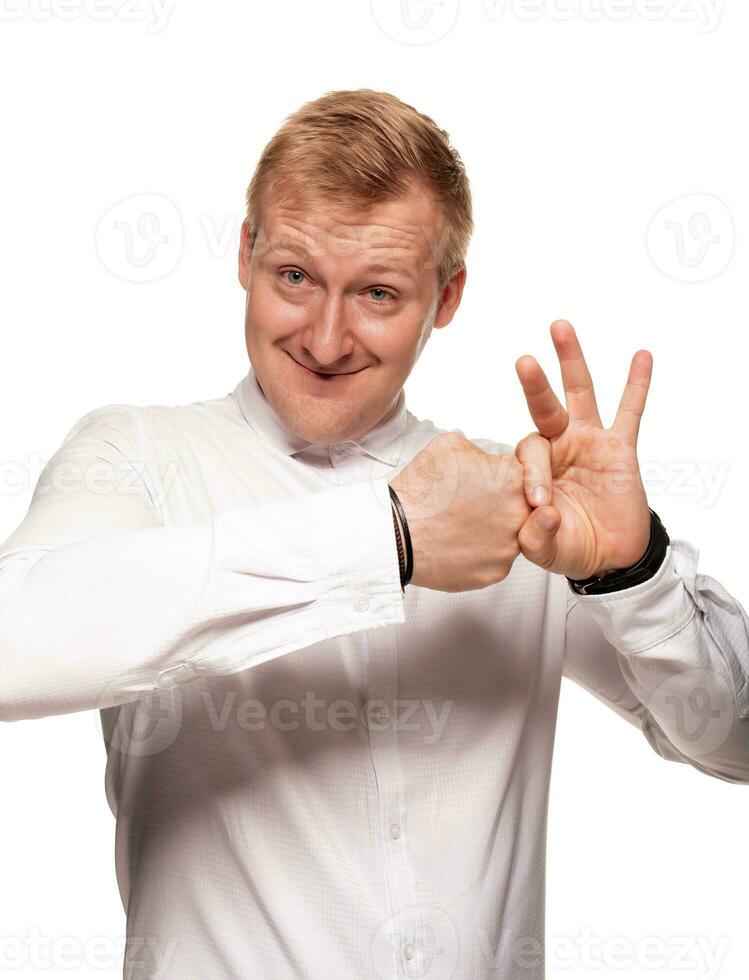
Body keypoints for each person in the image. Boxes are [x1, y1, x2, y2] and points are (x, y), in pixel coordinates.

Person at [1, 88, 748, 980]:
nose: (324, 336)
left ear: (446, 297)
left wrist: (633, 571)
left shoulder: (524, 502)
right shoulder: (137, 454)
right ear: (244, 253)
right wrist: (386, 539)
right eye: (294, 276)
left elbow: (732, 743)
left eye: (378, 294)